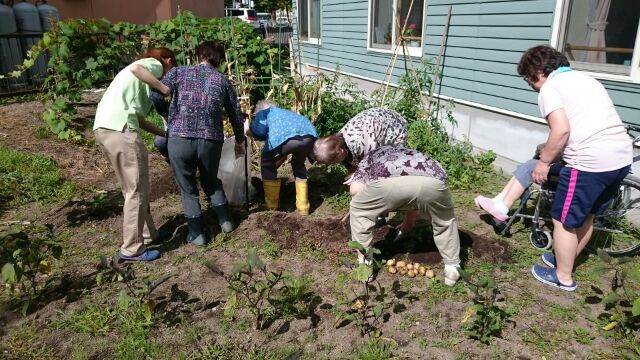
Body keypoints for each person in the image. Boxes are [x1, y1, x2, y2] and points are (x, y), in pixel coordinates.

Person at [518, 45, 632, 291]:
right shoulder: (584, 79)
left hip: (590, 163)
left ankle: (563, 277)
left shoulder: (550, 88)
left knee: (563, 221)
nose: (531, 85)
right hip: (620, 159)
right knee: (586, 216)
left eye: (530, 79)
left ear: (538, 71)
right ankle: (564, 260)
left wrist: (544, 163)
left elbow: (561, 130)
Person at [93, 47, 175, 262]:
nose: (168, 71)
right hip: (121, 130)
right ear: (167, 60)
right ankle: (131, 249)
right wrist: (165, 89)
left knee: (134, 187)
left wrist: (165, 133)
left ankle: (149, 234)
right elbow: (139, 68)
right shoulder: (153, 64)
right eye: (171, 66)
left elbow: (138, 119)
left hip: (106, 128)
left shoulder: (130, 83)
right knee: (136, 190)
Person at [162, 41, 246, 246]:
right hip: (210, 139)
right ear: (219, 60)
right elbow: (236, 114)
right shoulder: (223, 81)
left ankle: (198, 235)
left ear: (198, 55)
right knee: (210, 181)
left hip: (179, 137)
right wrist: (240, 140)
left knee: (188, 188)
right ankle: (226, 222)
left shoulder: (177, 73)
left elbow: (156, 94)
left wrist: (168, 116)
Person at [348, 145, 461, 286]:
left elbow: (355, 189)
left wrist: (370, 205)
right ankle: (452, 268)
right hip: (434, 181)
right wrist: (408, 222)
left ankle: (364, 265)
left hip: (389, 183)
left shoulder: (369, 157)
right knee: (444, 221)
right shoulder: (412, 153)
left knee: (359, 209)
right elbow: (413, 192)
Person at [244, 100, 318, 215]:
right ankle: (303, 207)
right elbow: (284, 151)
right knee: (298, 165)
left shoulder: (264, 113)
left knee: (266, 162)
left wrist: (248, 129)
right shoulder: (284, 113)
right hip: (309, 136)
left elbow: (259, 131)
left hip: (285, 139)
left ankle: (271, 206)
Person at [475, 144, 563, 222]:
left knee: (531, 165)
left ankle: (503, 208)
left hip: (565, 174)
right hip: (561, 166)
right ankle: (498, 200)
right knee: (529, 165)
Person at [313, 108, 407, 172]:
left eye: (333, 162)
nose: (333, 164)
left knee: (389, 161)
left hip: (392, 124)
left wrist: (359, 176)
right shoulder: (337, 142)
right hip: (371, 123)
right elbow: (348, 161)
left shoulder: (358, 143)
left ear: (341, 150)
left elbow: (371, 162)